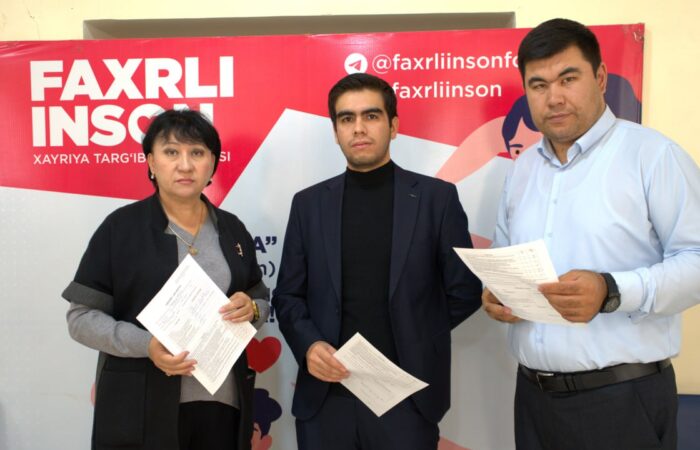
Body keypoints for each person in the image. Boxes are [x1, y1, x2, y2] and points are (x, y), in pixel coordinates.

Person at [482, 18, 700, 450]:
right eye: (539, 85)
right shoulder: (522, 170)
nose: (554, 97)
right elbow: (508, 255)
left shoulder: (653, 156)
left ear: (600, 78)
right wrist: (499, 293)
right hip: (533, 399)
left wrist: (611, 290)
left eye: (568, 78)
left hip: (623, 401)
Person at [272, 73, 482, 449]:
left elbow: (464, 291)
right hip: (326, 398)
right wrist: (309, 346)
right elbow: (288, 296)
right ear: (336, 132)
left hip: (404, 399)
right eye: (346, 118)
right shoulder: (308, 205)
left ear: (393, 126)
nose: (359, 128)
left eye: (371, 116)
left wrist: (414, 335)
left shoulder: (437, 199)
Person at [62, 109, 269, 450]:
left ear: (212, 164)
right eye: (171, 152)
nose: (185, 165)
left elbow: (260, 299)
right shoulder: (120, 228)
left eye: (197, 153)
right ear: (151, 162)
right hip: (140, 408)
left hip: (223, 405)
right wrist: (147, 345)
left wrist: (252, 309)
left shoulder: (232, 229)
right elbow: (81, 318)